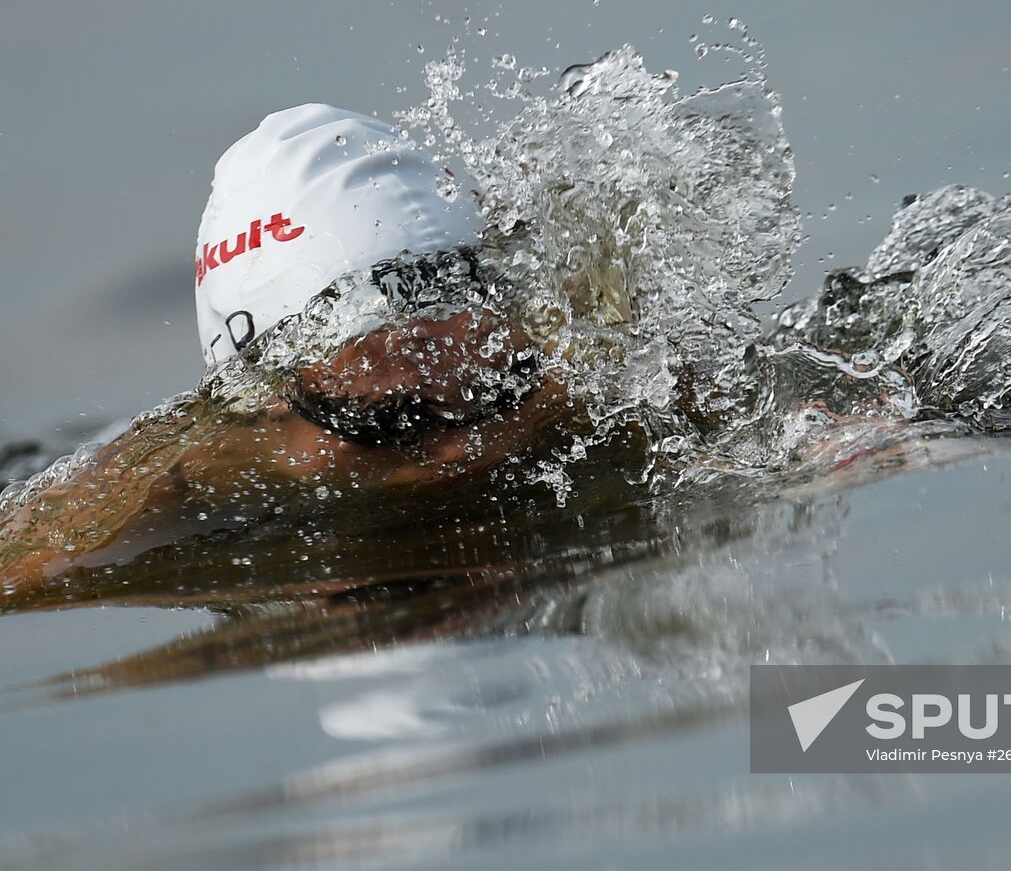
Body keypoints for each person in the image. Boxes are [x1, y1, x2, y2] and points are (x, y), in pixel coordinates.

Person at [0, 105, 588, 595]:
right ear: (258, 400)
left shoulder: (597, 381)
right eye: (390, 421)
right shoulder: (147, 499)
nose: (459, 449)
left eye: (496, 391)